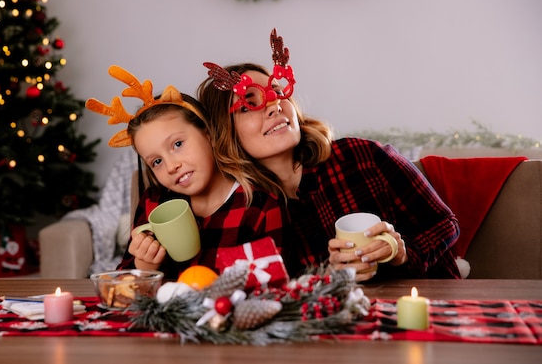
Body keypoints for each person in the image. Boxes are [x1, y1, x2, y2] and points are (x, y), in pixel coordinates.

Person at [196, 29, 461, 281]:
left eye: (278, 92)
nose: (273, 106)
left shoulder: (362, 156)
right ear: (225, 133)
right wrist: (326, 276)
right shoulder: (249, 212)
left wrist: (402, 253)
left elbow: (445, 222)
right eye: (248, 105)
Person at [85, 65, 293, 280]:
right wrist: (144, 267)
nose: (171, 166)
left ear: (208, 134)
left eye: (177, 144)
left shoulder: (260, 207)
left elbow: (274, 290)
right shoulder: (154, 204)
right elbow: (126, 287)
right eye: (156, 161)